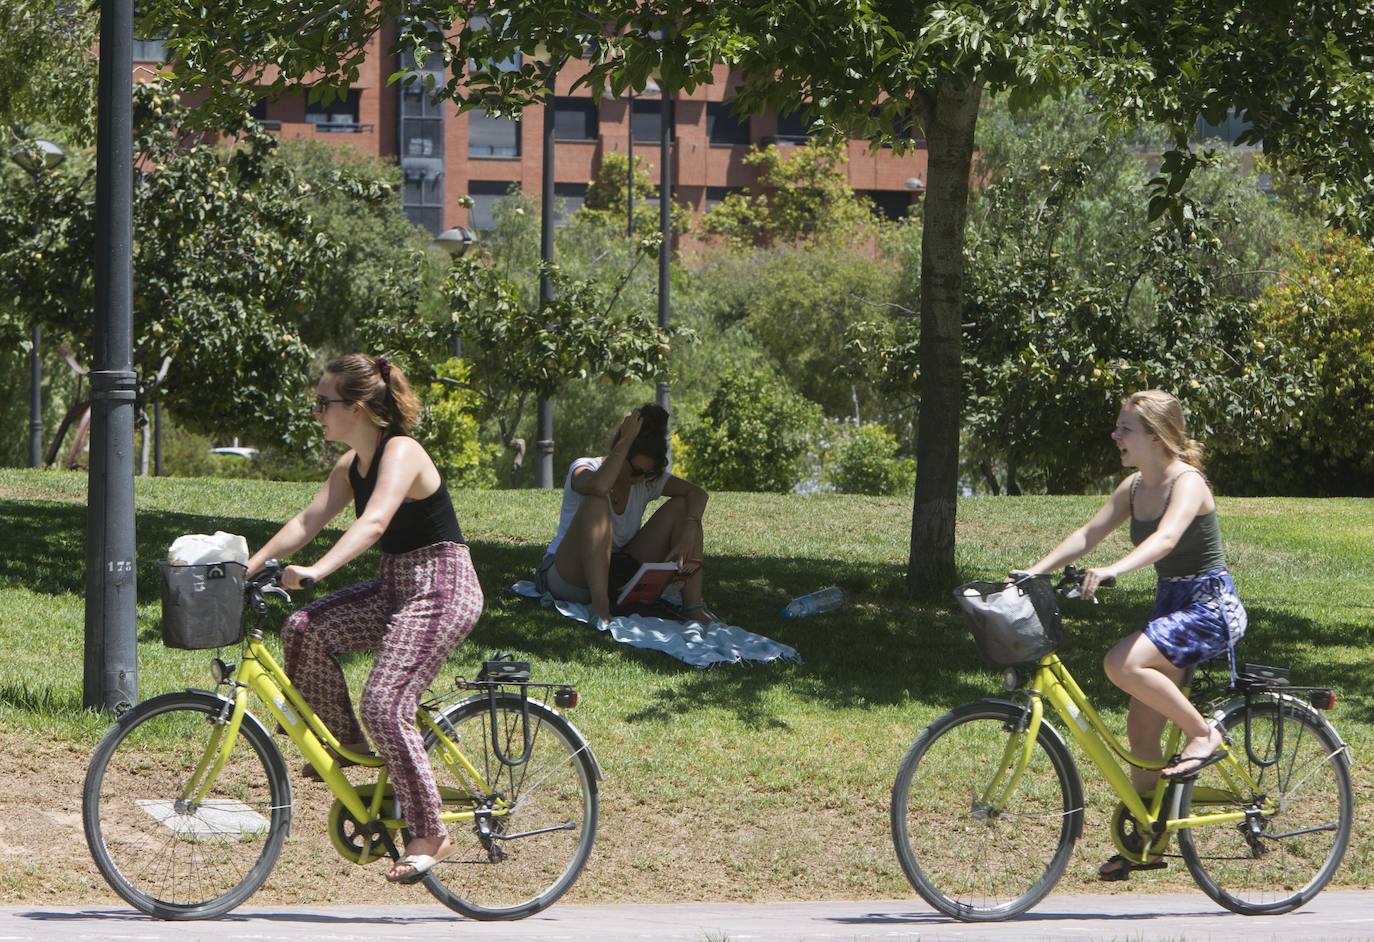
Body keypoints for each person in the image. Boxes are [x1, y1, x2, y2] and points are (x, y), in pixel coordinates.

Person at [246, 354, 482, 885]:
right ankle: (347, 744)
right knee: (304, 630)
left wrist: (317, 572)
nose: (317, 413)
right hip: (397, 585)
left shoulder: (402, 451)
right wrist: (248, 568)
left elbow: (375, 523)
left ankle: (430, 831)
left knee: (385, 702)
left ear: (355, 407)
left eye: (323, 403)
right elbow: (306, 521)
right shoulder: (351, 464)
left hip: (442, 587)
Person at [1018, 389, 1246, 880]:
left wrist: (1112, 571)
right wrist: (1032, 572)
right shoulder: (1134, 487)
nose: (1115, 435)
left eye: (1126, 428)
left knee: (1121, 663)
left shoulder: (1188, 483)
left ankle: (1203, 734)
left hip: (1210, 608)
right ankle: (1150, 842)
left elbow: (1165, 539)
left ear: (1157, 436)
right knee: (1142, 738)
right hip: (1172, 608)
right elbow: (1087, 534)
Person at [537, 404, 715, 625]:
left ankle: (693, 607)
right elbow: (599, 486)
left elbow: (697, 494)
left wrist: (690, 526)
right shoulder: (584, 468)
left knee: (683, 506)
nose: (641, 478)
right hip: (569, 575)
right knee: (596, 499)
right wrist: (626, 438)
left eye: (648, 473)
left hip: (617, 573)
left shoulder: (645, 481)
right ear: (620, 453)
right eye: (636, 471)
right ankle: (599, 606)